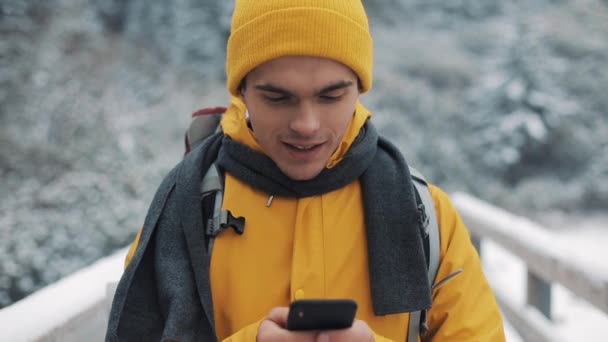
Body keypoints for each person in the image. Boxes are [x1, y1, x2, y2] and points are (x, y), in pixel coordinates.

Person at [106, 1, 506, 341]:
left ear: (360, 88)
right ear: (241, 90)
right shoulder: (185, 208)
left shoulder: (428, 215)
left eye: (332, 96)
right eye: (277, 97)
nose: (307, 124)